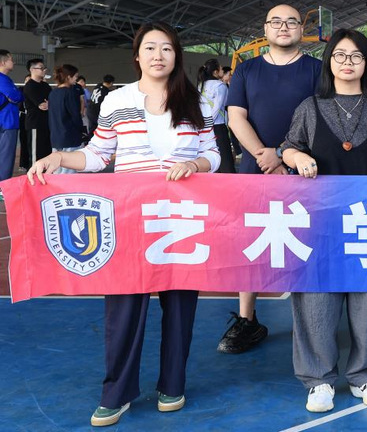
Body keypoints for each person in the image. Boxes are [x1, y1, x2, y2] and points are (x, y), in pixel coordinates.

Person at [26, 22, 221, 427]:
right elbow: (99, 154)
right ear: (137, 56)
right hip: (131, 218)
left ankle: (173, 385)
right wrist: (59, 158)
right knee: (124, 308)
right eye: (150, 48)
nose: (158, 55)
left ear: (176, 56)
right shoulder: (117, 100)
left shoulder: (195, 102)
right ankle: (117, 393)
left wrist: (196, 164)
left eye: (166, 48)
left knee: (180, 306)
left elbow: (214, 154)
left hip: (181, 220)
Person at [279, 29, 367, 412]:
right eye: (340, 55)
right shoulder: (310, 106)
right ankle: (319, 380)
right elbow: (287, 146)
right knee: (316, 297)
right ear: (330, 62)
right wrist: (298, 158)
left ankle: (366, 374)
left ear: (366, 63)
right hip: (319, 220)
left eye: (356, 56)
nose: (348, 62)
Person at [223, 4, 322, 354]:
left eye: (291, 22)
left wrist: (282, 154)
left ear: (301, 30)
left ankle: (311, 322)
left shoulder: (317, 69)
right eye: (276, 22)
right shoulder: (246, 70)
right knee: (252, 244)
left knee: (304, 242)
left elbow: (321, 118)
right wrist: (264, 156)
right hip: (256, 172)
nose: (283, 27)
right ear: (265, 29)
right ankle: (246, 319)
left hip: (304, 169)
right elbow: (236, 117)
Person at [197, 59, 236, 173]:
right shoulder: (220, 86)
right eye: (220, 68)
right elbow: (217, 107)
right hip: (218, 126)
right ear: (215, 72)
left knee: (210, 157)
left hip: (204, 126)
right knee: (225, 158)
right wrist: (210, 123)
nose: (222, 70)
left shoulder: (200, 85)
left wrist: (205, 124)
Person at [47, 65, 85, 173]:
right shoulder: (70, 93)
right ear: (68, 77)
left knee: (57, 168)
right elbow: (75, 115)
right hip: (70, 135)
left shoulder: (53, 93)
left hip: (56, 135)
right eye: (75, 76)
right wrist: (81, 130)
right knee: (69, 170)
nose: (76, 79)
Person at [22, 58, 52, 165]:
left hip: (46, 124)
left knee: (46, 154)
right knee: (36, 156)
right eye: (41, 68)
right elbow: (43, 105)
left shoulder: (46, 86)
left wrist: (49, 104)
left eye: (44, 68)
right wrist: (48, 104)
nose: (44, 70)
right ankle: (34, 175)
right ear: (32, 69)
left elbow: (52, 102)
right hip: (35, 124)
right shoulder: (30, 86)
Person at [0, 50, 23, 184]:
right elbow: (17, 96)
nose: (13, 62)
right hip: (6, 122)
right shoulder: (2, 79)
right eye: (11, 59)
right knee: (6, 158)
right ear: (3, 62)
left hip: (4, 121)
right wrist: (17, 94)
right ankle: (3, 187)